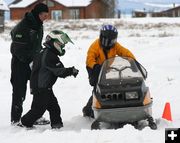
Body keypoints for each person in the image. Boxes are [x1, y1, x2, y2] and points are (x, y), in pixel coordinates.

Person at [20, 30, 79, 129]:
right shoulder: (50, 56)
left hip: (42, 86)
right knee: (38, 110)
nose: (62, 47)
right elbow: (59, 71)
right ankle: (25, 122)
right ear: (54, 43)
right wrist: (71, 71)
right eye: (61, 44)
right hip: (42, 87)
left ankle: (57, 125)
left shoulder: (44, 52)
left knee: (54, 107)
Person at [82, 24, 136, 118]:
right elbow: (89, 59)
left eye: (113, 40)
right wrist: (95, 67)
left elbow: (125, 52)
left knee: (109, 86)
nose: (112, 43)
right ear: (103, 39)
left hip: (106, 68)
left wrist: (133, 61)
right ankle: (88, 109)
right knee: (97, 88)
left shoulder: (114, 46)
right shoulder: (95, 46)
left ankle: (111, 104)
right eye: (110, 41)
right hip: (93, 68)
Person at [10, 3, 49, 124]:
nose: (46, 17)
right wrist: (29, 61)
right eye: (44, 15)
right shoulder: (24, 26)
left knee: (38, 89)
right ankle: (15, 120)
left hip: (33, 63)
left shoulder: (38, 25)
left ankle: (34, 116)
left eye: (47, 15)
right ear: (38, 14)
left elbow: (35, 45)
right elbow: (16, 49)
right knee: (19, 92)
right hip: (20, 65)